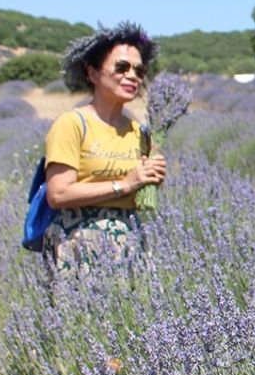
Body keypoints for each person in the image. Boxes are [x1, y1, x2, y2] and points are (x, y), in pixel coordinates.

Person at [42, 22, 166, 271]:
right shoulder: (72, 124)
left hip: (130, 243)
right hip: (77, 243)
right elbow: (57, 195)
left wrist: (151, 179)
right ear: (93, 72)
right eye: (122, 67)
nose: (132, 76)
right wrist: (125, 184)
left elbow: (139, 196)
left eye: (139, 71)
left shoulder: (140, 132)